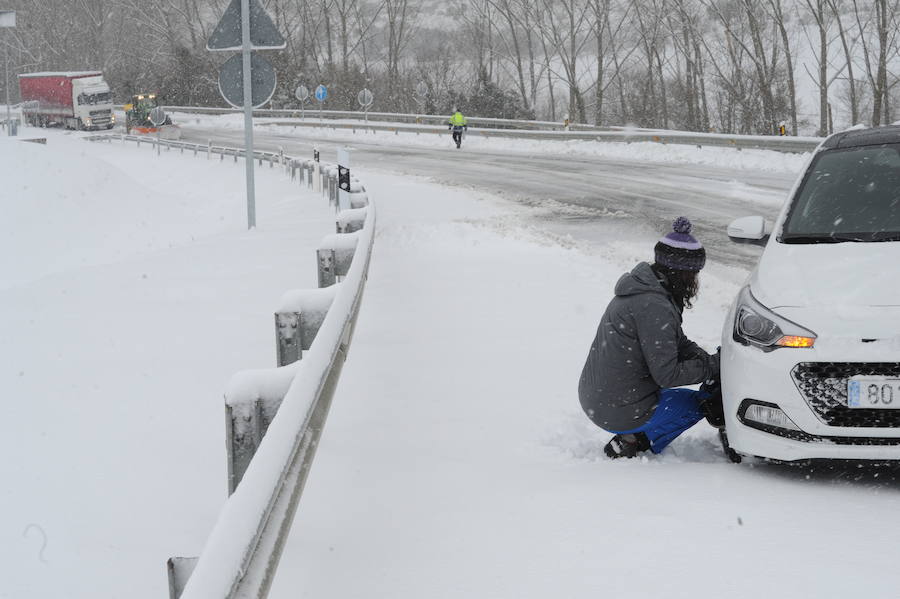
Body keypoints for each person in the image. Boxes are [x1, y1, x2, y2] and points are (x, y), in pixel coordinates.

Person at [577, 217, 721, 459]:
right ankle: (634, 441)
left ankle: (631, 434)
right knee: (700, 405)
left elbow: (676, 342)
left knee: (693, 392)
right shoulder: (654, 306)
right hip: (615, 408)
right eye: (694, 274)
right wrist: (713, 367)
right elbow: (668, 374)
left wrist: (706, 360)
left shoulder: (646, 289)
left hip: (599, 396)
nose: (695, 281)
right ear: (682, 274)